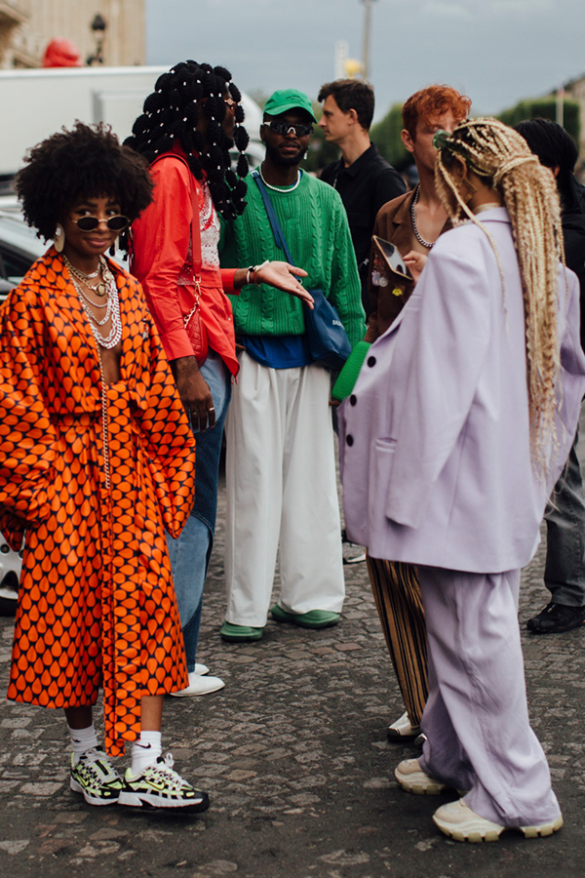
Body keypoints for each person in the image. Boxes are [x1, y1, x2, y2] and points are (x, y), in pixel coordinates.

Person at [340, 117, 585, 841]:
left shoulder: (461, 253)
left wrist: (401, 492)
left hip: (450, 478)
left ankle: (517, 792)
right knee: (460, 629)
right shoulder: (542, 258)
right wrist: (538, 468)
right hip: (502, 473)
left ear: (463, 175)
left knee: (472, 635)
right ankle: (450, 755)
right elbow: (568, 381)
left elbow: (433, 388)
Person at [0, 122, 208, 810]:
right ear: (55, 212)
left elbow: (155, 387)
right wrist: (38, 492)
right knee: (71, 618)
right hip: (62, 475)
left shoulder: (128, 290)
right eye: (84, 213)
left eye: (112, 214)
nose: (99, 226)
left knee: (149, 605)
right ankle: (86, 755)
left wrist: (168, 468)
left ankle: (146, 758)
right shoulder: (31, 298)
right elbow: (14, 399)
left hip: (132, 473)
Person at [127, 63, 313, 692]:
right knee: (187, 514)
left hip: (206, 351)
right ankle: (169, 665)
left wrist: (253, 273)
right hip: (188, 362)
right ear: (198, 112)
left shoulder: (193, 172)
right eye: (227, 107)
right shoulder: (171, 174)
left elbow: (196, 273)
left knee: (196, 510)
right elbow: (156, 279)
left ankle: (175, 657)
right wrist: (186, 369)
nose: (236, 116)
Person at [219, 88, 365, 642]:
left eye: (302, 126)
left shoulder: (327, 200)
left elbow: (346, 287)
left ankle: (312, 597)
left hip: (313, 359)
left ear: (310, 135)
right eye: (281, 124)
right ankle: (247, 608)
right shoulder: (237, 194)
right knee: (252, 484)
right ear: (265, 131)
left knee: (313, 483)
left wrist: (347, 371)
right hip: (253, 352)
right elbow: (215, 274)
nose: (291, 134)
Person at [364, 85, 471, 742]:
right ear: (409, 140)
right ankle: (421, 695)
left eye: (457, 128)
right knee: (386, 550)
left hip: (458, 404)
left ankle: (457, 701)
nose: (447, 141)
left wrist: (438, 275)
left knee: (448, 560)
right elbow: (376, 308)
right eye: (436, 130)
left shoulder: (483, 216)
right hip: (397, 395)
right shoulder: (390, 215)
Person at [516, 118, 585, 634]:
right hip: (555, 364)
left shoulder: (569, 232)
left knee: (564, 478)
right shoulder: (547, 214)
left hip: (565, 369)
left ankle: (572, 594)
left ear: (551, 169)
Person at [318, 79, 405, 315]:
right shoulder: (330, 175)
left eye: (328, 114)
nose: (321, 122)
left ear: (351, 116)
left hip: (365, 314)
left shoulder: (384, 180)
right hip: (327, 310)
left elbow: (395, 258)